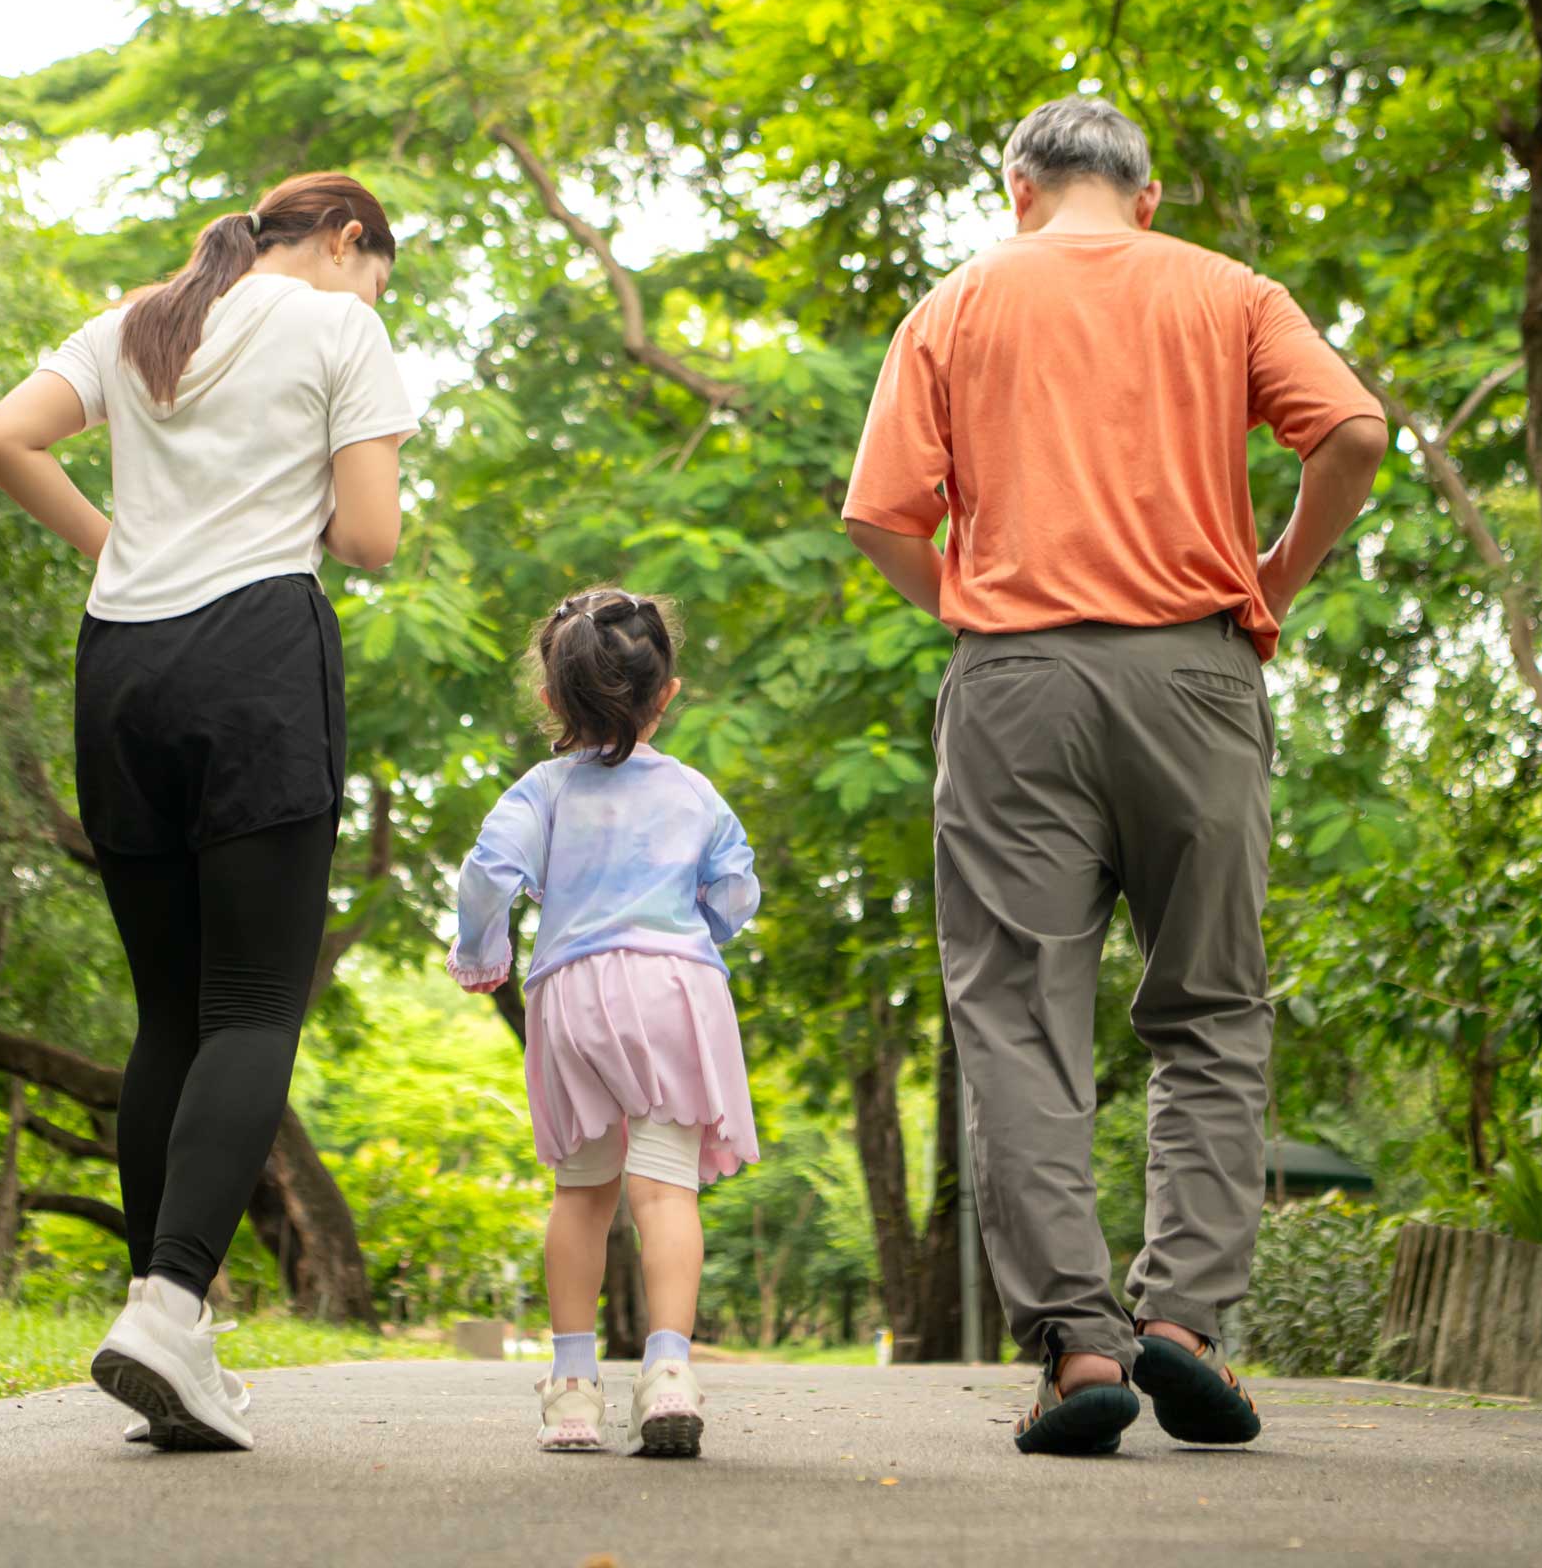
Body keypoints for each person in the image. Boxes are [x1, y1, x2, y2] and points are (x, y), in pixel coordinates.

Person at [841, 96, 1387, 1457]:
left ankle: (1082, 1349)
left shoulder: (957, 304)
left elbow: (879, 513)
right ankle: (1184, 1325)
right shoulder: (1230, 292)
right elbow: (1354, 433)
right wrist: (1272, 581)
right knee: (1212, 1006)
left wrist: (978, 608)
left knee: (1021, 1018)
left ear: (1017, 189)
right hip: (1198, 674)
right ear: (1146, 198)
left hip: (1017, 684)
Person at [0, 173, 413, 1453]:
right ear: (347, 241)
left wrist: (122, 543)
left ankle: (167, 1321)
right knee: (254, 1006)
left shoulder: (142, 317)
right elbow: (370, 537)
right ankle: (168, 1306)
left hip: (122, 662)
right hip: (256, 653)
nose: (373, 290)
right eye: (377, 270)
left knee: (169, 1010)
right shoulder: (341, 326)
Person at [448, 588, 762, 1460]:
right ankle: (669, 1374)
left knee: (582, 1194)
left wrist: (482, 951)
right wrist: (701, 928)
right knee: (665, 1191)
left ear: (552, 698)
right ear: (668, 695)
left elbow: (487, 872)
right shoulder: (695, 792)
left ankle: (574, 1389)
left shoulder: (541, 791)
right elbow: (736, 888)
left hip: (573, 995)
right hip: (674, 993)